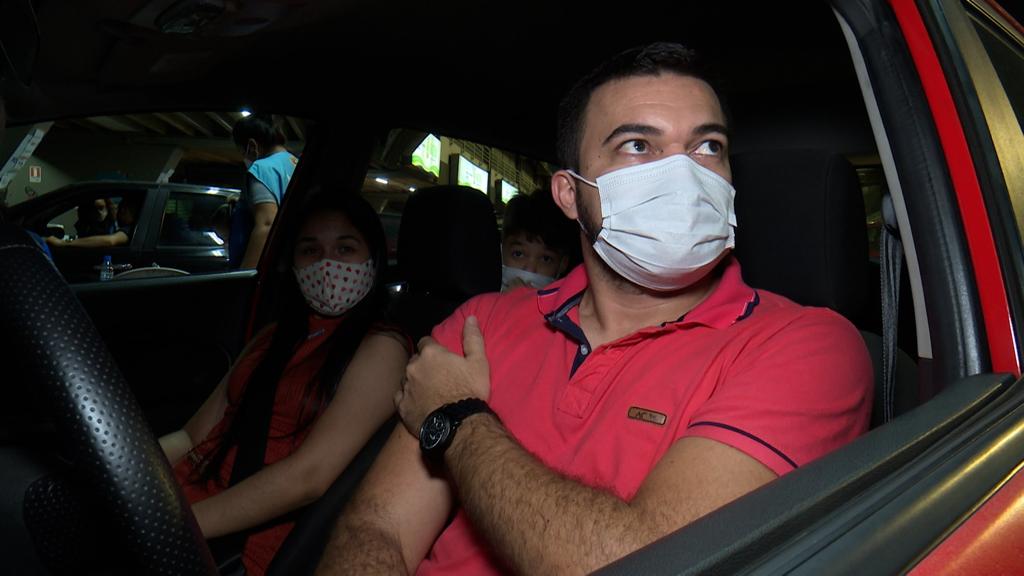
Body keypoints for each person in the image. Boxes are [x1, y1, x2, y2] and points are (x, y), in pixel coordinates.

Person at [316, 42, 873, 575]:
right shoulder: (482, 323)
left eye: (708, 147)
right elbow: (376, 528)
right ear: (569, 193)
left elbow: (652, 566)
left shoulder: (808, 348)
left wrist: (458, 419)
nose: (686, 174)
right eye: (638, 146)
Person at [159, 191, 409, 575]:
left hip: (231, 542)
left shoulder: (382, 349)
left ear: (374, 258)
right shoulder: (273, 336)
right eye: (310, 251)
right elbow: (192, 436)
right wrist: (126, 468)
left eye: (345, 248)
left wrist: (175, 526)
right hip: (181, 499)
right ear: (293, 263)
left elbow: (308, 477)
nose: (327, 264)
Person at [230, 114, 299, 269]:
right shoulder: (295, 163)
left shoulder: (262, 168)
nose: (244, 157)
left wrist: (246, 274)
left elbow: (267, 224)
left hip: (269, 267)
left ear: (252, 145)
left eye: (241, 151)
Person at [500, 190, 576, 291]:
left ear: (562, 264)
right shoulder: (481, 299)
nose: (530, 270)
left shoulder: (574, 300)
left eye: (545, 259)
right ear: (501, 251)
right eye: (518, 254)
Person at [46, 194, 142, 249]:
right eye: (94, 209)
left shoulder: (131, 229)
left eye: (101, 208)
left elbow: (110, 241)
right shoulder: (86, 226)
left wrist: (62, 243)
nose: (98, 213)